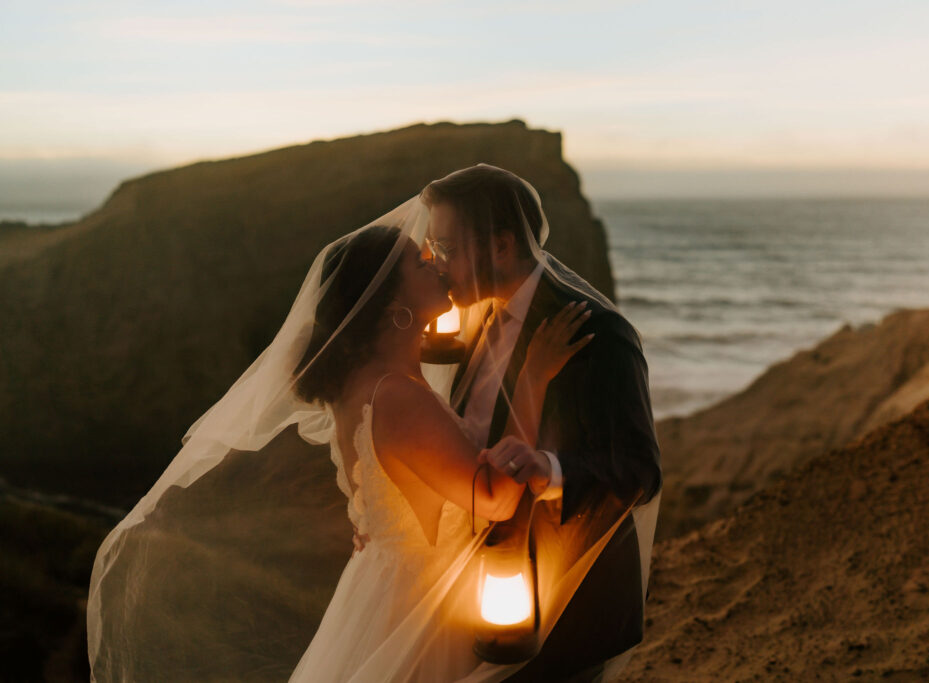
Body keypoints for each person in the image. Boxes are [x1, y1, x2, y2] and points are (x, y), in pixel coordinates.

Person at [86, 190, 609, 682]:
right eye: (419, 262)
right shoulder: (395, 395)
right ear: (389, 302)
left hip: (381, 582)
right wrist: (534, 379)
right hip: (417, 606)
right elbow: (492, 500)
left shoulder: (364, 383)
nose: (434, 260)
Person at [422, 164, 663, 681]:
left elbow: (639, 471)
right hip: (480, 596)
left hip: (563, 609)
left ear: (502, 246)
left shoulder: (597, 334)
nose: (435, 264)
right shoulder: (484, 315)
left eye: (446, 249)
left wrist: (549, 470)